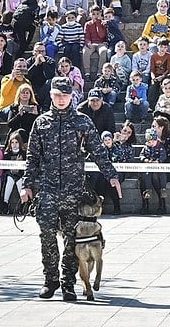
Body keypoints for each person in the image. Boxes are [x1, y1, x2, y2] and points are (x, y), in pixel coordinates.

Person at [21, 78, 121, 302]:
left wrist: (111, 175)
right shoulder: (41, 122)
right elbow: (32, 157)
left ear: (71, 97)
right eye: (57, 95)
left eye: (65, 96)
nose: (61, 99)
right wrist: (27, 184)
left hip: (73, 189)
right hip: (47, 189)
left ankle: (68, 282)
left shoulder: (82, 122)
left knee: (71, 239)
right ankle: (50, 280)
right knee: (46, 235)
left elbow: (97, 151)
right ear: (52, 95)